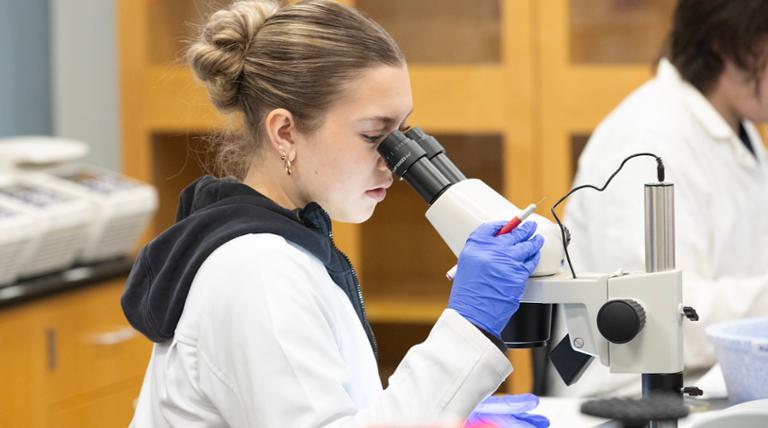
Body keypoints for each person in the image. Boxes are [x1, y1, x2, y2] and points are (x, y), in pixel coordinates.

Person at [121, 1, 546, 426]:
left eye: (403, 133)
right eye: (374, 135)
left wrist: (446, 412)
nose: (395, 162)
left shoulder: (282, 246)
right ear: (285, 132)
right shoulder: (257, 272)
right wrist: (468, 327)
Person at [548, 0, 768, 398]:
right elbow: (661, 314)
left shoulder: (739, 128)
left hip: (711, 378)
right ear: (726, 42)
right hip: (631, 394)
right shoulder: (647, 139)